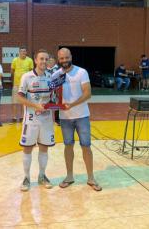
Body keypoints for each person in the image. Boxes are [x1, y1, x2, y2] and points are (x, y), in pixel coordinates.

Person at [54, 48, 102, 191]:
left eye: (66, 57)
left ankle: (91, 177)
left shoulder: (81, 72)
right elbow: (53, 94)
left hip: (81, 116)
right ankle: (69, 176)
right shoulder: (56, 75)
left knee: (86, 146)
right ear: (58, 58)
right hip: (65, 118)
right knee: (68, 145)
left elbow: (88, 94)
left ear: (71, 57)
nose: (64, 61)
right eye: (61, 58)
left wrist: (72, 104)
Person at [17, 49, 54, 191]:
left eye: (46, 59)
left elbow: (54, 97)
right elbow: (19, 97)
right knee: (27, 149)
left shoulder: (51, 77)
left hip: (46, 120)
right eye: (41, 59)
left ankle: (42, 176)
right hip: (30, 120)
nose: (44, 61)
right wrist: (35, 105)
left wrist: (58, 104)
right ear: (35, 60)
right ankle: (26, 178)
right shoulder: (26, 77)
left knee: (44, 148)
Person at [11, 46, 33, 122]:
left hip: (26, 86)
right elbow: (12, 71)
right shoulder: (15, 60)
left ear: (26, 52)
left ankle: (22, 117)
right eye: (21, 51)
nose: (23, 52)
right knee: (14, 101)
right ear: (19, 52)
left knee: (24, 102)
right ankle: (14, 117)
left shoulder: (29, 60)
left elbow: (31, 72)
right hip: (16, 84)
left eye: (24, 51)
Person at [46, 55, 60, 126]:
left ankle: (57, 119)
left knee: (56, 104)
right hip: (47, 90)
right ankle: (47, 119)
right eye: (49, 61)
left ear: (55, 62)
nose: (50, 62)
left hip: (56, 89)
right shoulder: (45, 69)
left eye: (52, 61)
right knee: (47, 104)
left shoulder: (58, 69)